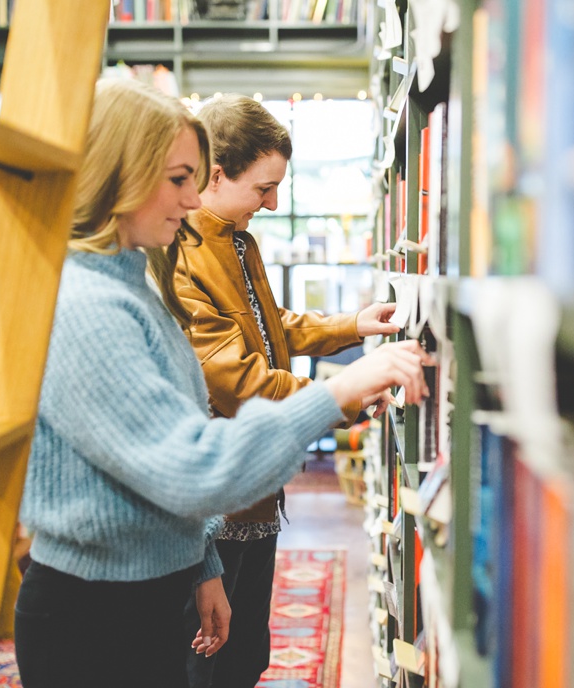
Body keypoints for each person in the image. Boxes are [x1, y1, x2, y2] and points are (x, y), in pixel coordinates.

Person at [13, 79, 433, 688]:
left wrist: (201, 562)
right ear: (121, 174)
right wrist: (335, 395)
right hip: (96, 611)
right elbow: (189, 462)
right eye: (180, 178)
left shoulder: (132, 285)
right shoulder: (91, 307)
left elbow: (166, 449)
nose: (192, 200)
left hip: (141, 586)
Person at [170, 93, 397, 687]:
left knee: (246, 655)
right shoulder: (184, 256)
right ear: (216, 175)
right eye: (263, 187)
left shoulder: (238, 239)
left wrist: (352, 325)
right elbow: (238, 380)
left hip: (258, 489)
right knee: (208, 662)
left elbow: (272, 329)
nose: (272, 202)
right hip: (222, 498)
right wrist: (341, 395)